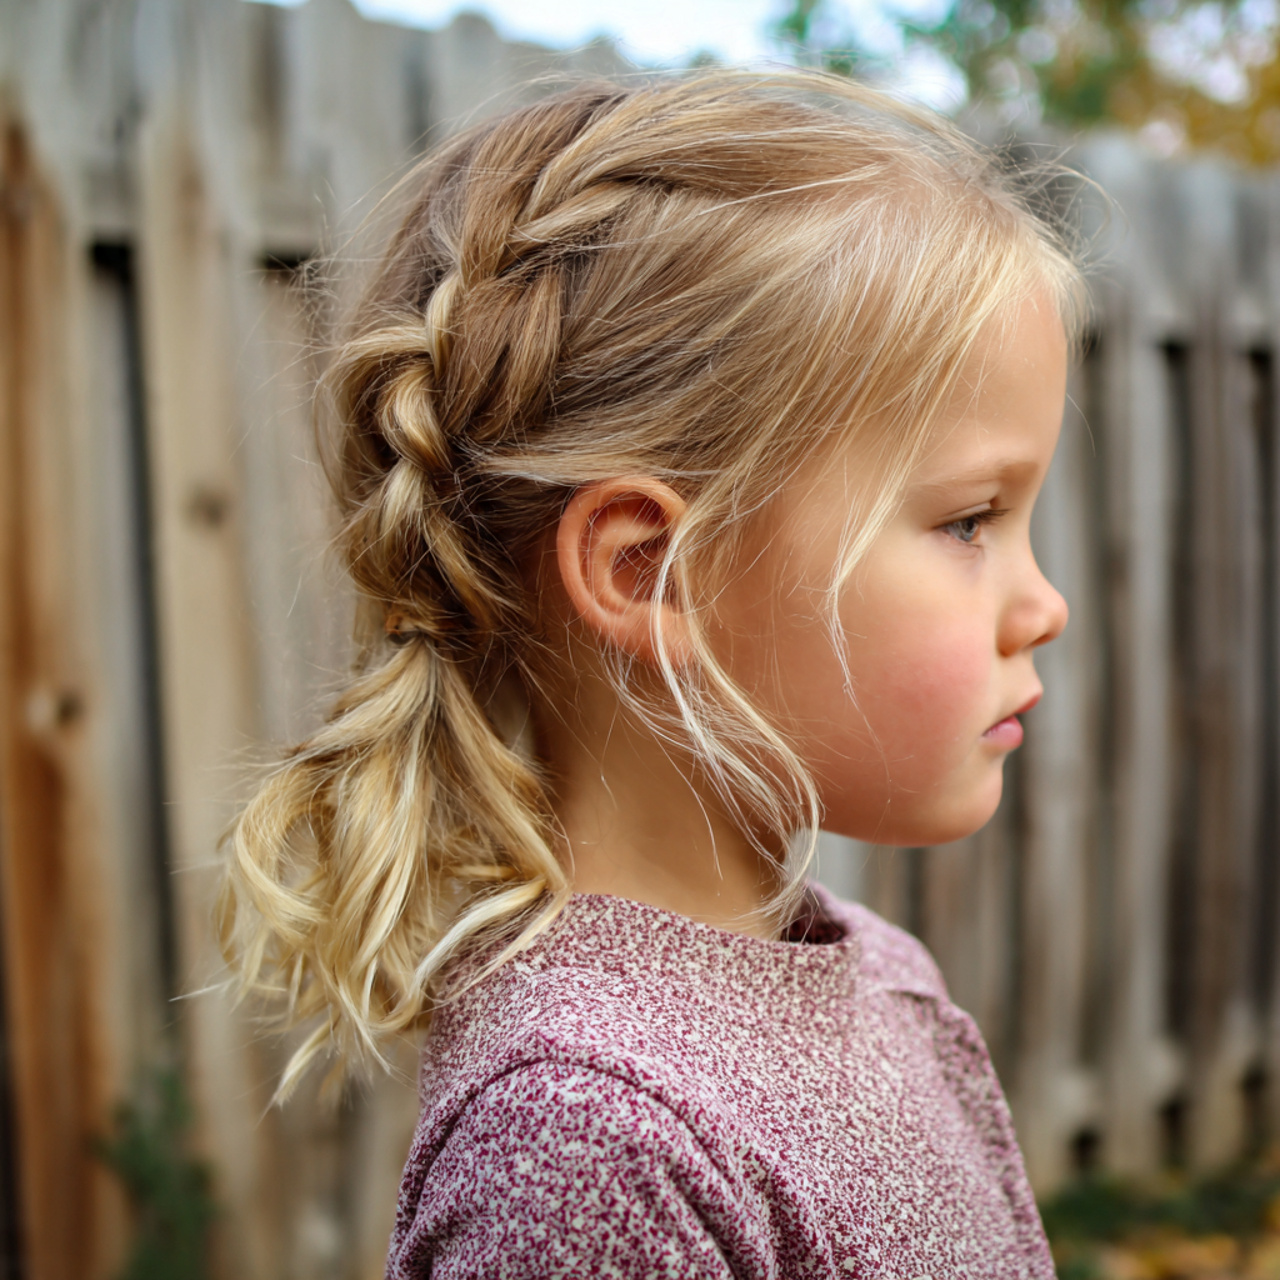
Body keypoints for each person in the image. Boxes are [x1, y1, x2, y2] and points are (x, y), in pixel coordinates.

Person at [219, 70, 1084, 1279]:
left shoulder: (881, 973)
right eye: (968, 520)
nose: (1043, 604)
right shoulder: (591, 1137)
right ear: (652, 570)